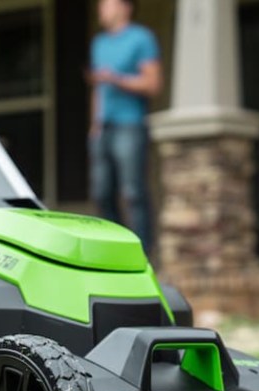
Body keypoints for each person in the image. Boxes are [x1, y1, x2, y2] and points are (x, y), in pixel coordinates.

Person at [89, 0, 162, 253]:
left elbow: (152, 84)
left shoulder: (141, 38)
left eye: (106, 4)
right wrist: (94, 124)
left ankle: (143, 253)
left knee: (133, 192)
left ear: (125, 7)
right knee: (101, 193)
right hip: (103, 128)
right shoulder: (99, 44)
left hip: (130, 125)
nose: (101, 9)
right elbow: (99, 89)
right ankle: (118, 250)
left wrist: (117, 79)